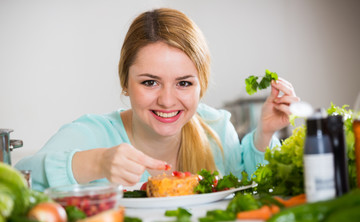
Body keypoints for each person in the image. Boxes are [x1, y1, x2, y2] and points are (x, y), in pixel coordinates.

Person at [15, 8, 299, 192]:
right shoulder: (93, 133)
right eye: (150, 82)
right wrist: (98, 163)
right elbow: (18, 179)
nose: (166, 100)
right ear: (125, 82)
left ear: (202, 85)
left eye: (184, 83)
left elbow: (249, 180)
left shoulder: (215, 128)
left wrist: (264, 134)